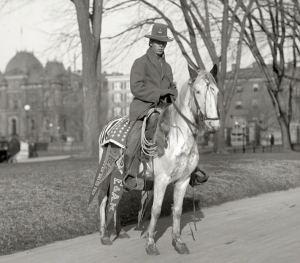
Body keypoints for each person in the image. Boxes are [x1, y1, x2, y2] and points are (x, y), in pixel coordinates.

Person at [123, 23, 177, 190]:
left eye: (163, 42)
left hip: (164, 109)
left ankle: (190, 170)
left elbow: (173, 88)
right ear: (151, 42)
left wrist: (172, 94)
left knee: (184, 128)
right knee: (134, 138)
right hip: (143, 109)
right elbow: (136, 87)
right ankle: (130, 174)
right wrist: (161, 93)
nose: (161, 45)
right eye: (157, 41)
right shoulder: (140, 63)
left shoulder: (167, 67)